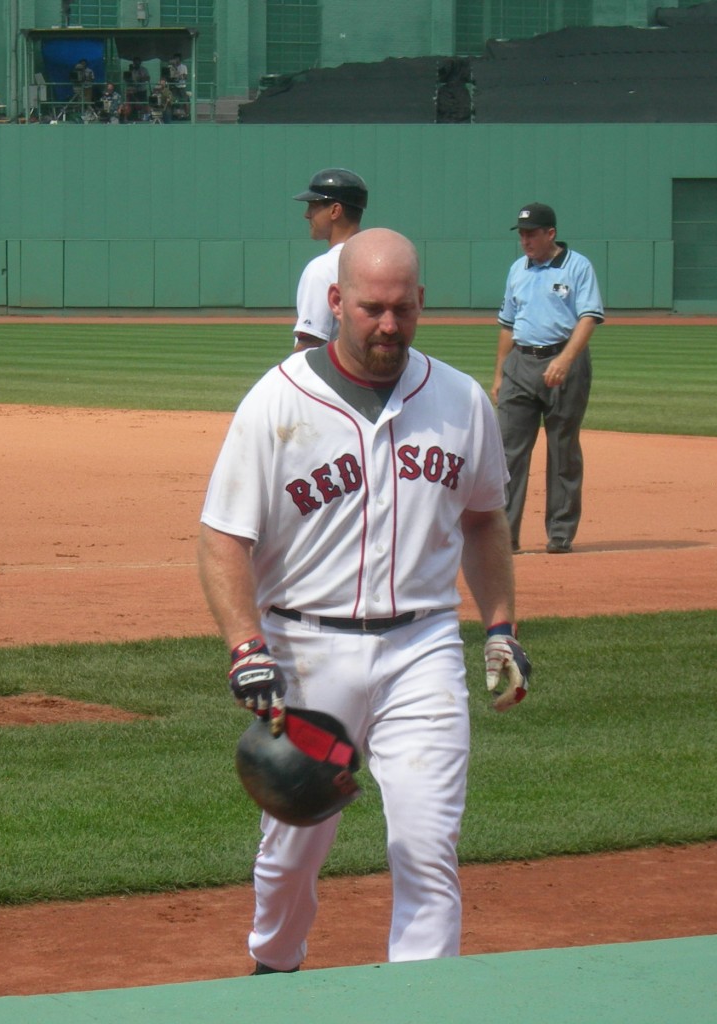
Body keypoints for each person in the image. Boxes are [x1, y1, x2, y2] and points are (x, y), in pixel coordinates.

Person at [198, 227, 531, 975]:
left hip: (423, 649)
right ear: (336, 301)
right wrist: (246, 647)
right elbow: (222, 538)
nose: (387, 325)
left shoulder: (457, 399)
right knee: (291, 850)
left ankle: (420, 1003)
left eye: (402, 310)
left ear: (422, 303)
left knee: (425, 843)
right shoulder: (276, 403)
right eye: (371, 308)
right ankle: (273, 967)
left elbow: (483, 519)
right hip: (306, 657)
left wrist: (500, 628)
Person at [492, 202, 604, 554]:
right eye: (522, 233)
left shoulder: (577, 266)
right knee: (508, 453)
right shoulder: (517, 269)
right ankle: (504, 535)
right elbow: (508, 325)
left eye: (531, 233)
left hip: (564, 362)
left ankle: (559, 533)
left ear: (550, 233)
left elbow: (588, 317)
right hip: (521, 363)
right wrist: (499, 373)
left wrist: (567, 360)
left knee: (563, 449)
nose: (525, 240)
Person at [290, 168, 367, 351]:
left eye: (313, 206)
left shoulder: (322, 269)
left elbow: (309, 344)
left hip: (327, 377)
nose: (307, 215)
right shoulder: (377, 261)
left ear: (335, 210)